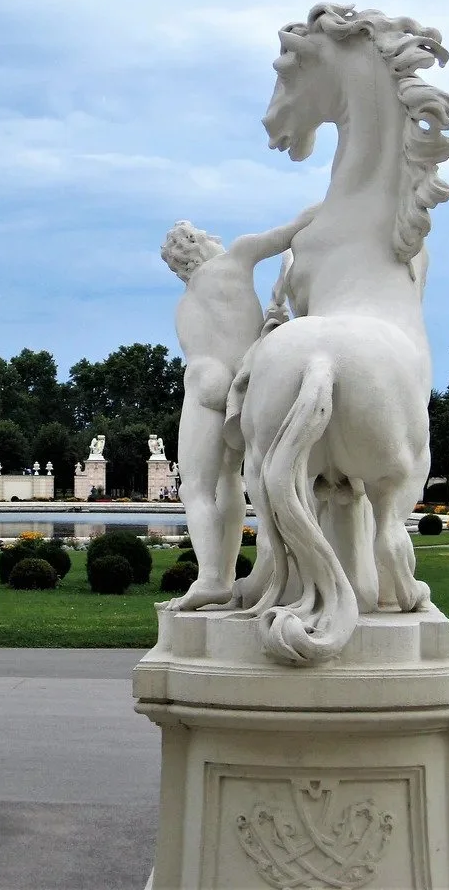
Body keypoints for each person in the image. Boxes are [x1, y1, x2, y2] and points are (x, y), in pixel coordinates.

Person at [160, 211, 314, 610]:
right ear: (196, 246)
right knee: (235, 478)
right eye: (206, 235)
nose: (216, 237)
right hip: (248, 376)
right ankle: (227, 577)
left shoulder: (185, 305)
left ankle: (215, 578)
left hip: (206, 379)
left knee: (198, 488)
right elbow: (292, 229)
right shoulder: (237, 257)